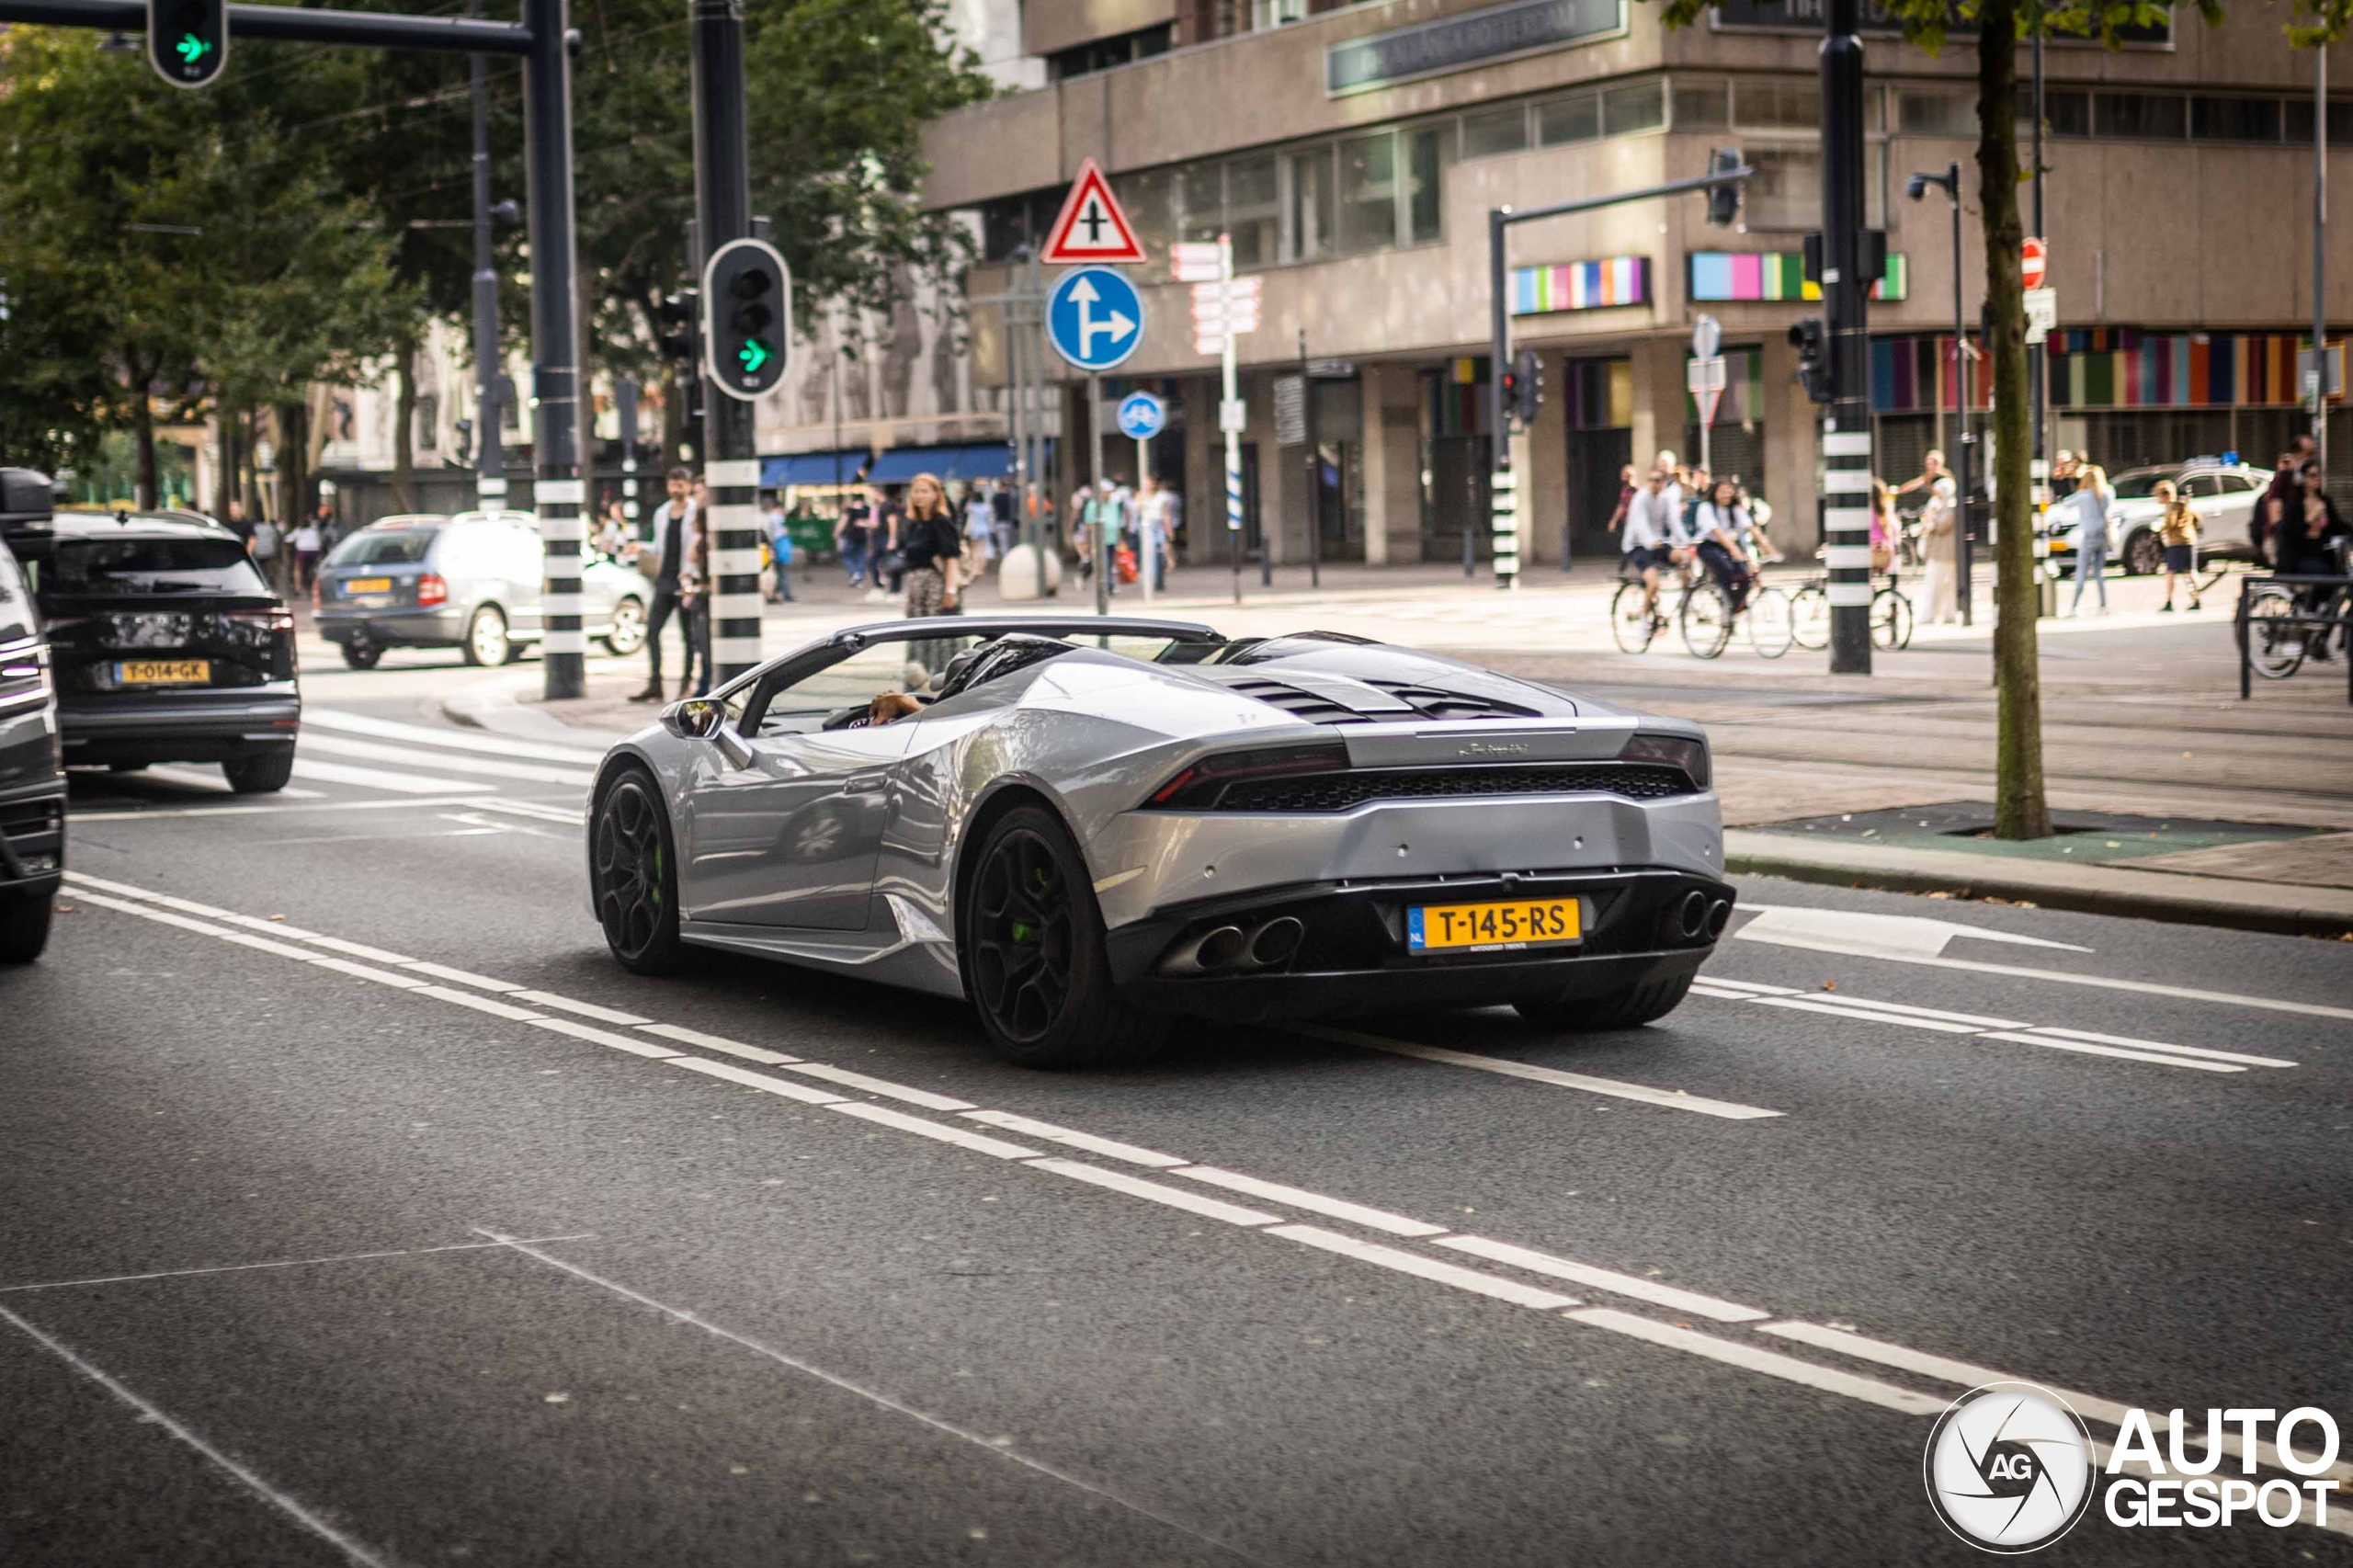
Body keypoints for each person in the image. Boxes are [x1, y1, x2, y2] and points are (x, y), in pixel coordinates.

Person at [629, 467, 703, 702]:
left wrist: (691, 574)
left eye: (680, 484)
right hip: (664, 580)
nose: (675, 489)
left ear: (689, 486)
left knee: (688, 636)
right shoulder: (662, 513)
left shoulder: (696, 511)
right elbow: (660, 547)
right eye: (672, 484)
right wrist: (642, 547)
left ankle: (686, 685)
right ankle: (655, 684)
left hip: (685, 581)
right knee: (652, 631)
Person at [1620, 467, 1681, 624]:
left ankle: (1686, 602)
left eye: (1658, 480)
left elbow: (1674, 521)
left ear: (1663, 483)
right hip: (1638, 545)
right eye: (1651, 480)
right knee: (1653, 582)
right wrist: (1651, 541)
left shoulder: (1665, 499)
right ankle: (1643, 619)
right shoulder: (1640, 498)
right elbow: (1640, 526)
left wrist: (1685, 542)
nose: (1654, 484)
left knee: (1684, 558)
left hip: (1659, 542)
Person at [1689, 477, 1756, 614]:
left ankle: (1735, 606)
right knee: (1726, 570)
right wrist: (1733, 549)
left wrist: (1768, 548)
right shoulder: (1706, 507)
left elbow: (1750, 526)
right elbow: (1716, 531)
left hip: (1727, 545)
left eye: (1729, 491)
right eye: (1722, 492)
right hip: (1707, 546)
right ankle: (1727, 602)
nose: (1726, 495)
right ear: (1715, 493)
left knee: (1746, 574)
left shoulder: (1735, 509)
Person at [2064, 462, 2112, 616]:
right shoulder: (2106, 493)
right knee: (2099, 573)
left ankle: (2074, 607)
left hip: (2088, 537)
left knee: (2081, 572)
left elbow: (2066, 503)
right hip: (2103, 536)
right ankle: (2103, 606)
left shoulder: (2083, 495)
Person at [2154, 478, 2200, 613]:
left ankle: (2169, 601)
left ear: (2165, 495)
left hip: (2176, 543)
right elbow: (2196, 518)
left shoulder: (2171, 507)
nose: (2157, 499)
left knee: (2170, 573)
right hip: (2190, 540)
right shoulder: (2184, 504)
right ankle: (2197, 599)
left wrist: (2159, 530)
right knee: (2190, 571)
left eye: (2158, 495)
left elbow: (2171, 523)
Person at [1919, 474, 1960, 624]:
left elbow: (1942, 525)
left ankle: (1937, 614)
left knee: (1937, 584)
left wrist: (1931, 519)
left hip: (1945, 552)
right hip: (1938, 551)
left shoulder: (1950, 505)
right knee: (1939, 583)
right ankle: (1939, 614)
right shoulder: (1937, 503)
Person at [835, 487, 873, 587]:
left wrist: (837, 532)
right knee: (861, 557)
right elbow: (870, 523)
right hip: (863, 536)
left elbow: (843, 521)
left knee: (846, 556)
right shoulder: (867, 509)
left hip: (851, 536)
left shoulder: (850, 510)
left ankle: (854, 573)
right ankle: (859, 577)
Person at [762, 493, 796, 603]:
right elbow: (781, 531)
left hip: (775, 545)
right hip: (778, 545)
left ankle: (774, 593)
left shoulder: (771, 517)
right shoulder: (777, 517)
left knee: (777, 571)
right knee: (781, 572)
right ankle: (783, 593)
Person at [289, 510, 324, 595]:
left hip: (302, 552)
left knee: (297, 569)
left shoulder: (298, 530)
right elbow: (320, 541)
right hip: (314, 551)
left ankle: (297, 588)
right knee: (315, 568)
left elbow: (288, 539)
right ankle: (315, 587)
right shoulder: (314, 530)